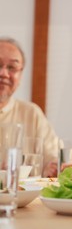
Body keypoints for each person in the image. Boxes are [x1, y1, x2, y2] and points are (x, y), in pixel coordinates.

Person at [0, 37, 58, 177]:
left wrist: (55, 169)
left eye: (12, 68)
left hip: (22, 199)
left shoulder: (32, 113)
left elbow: (53, 161)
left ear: (20, 75)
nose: (4, 74)